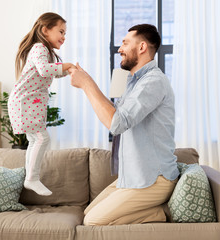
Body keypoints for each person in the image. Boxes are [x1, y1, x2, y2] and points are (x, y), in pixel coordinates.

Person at [69, 24, 179, 225]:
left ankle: (161, 213)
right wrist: (91, 81)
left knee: (92, 222)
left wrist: (87, 83)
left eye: (125, 43)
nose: (120, 49)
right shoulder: (130, 81)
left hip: (154, 179)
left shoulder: (153, 81)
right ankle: (154, 210)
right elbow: (114, 112)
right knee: (87, 213)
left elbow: (116, 123)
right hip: (132, 177)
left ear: (142, 47)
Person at [8, 12, 75, 196]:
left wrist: (68, 71)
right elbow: (45, 70)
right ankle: (32, 178)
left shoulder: (45, 52)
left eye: (65, 33)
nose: (64, 37)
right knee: (41, 138)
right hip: (25, 102)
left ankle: (31, 176)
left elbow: (50, 71)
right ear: (45, 30)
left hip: (28, 102)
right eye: (61, 31)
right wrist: (67, 66)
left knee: (34, 140)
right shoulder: (39, 48)